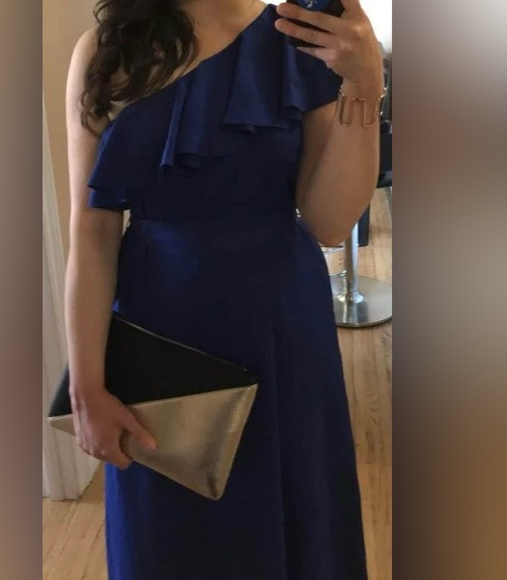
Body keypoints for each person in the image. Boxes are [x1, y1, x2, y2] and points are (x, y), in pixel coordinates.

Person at [64, 0, 384, 578]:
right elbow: (91, 232)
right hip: (156, 330)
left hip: (281, 327)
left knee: (295, 519)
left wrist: (364, 82)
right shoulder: (107, 51)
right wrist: (87, 388)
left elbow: (331, 222)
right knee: (166, 536)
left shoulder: (297, 39)